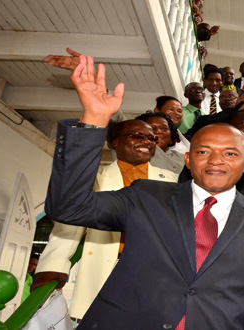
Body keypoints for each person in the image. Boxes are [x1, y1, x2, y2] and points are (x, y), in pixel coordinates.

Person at [44, 55, 244, 328]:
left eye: (230, 153)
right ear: (188, 159)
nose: (215, 161)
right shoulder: (146, 196)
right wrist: (94, 120)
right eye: (203, 151)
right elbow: (68, 207)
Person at [33, 119, 178, 320]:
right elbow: (69, 225)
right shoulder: (95, 178)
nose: (147, 141)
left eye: (151, 138)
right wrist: (54, 265)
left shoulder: (173, 181)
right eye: (137, 135)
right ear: (115, 142)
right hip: (108, 269)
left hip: (156, 272)